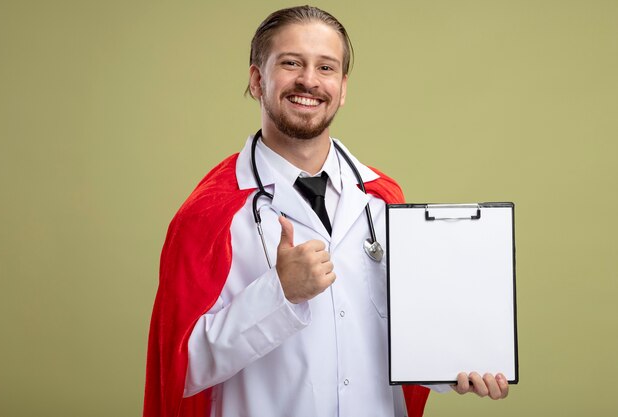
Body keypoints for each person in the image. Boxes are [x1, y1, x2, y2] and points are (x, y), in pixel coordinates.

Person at [143, 5, 509, 417]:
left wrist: (455, 364)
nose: (309, 81)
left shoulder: (381, 200)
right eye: (291, 63)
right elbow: (180, 369)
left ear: (343, 87)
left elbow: (399, 336)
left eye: (326, 67)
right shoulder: (210, 214)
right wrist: (278, 294)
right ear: (257, 79)